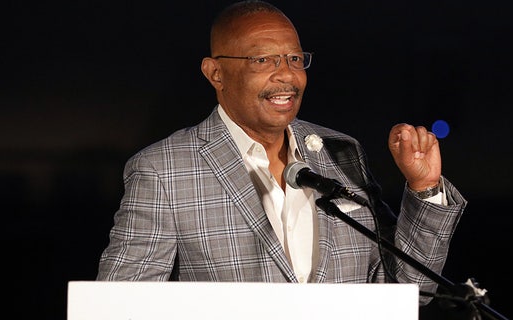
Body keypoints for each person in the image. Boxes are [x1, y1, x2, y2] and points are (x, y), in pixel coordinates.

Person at [96, 0, 467, 306]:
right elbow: (121, 305)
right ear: (215, 73)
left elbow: (408, 292)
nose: (286, 75)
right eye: (262, 60)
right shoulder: (163, 170)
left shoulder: (341, 153)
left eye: (294, 58)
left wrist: (425, 187)